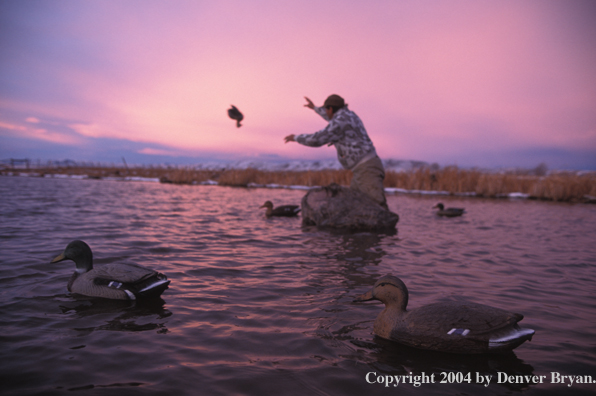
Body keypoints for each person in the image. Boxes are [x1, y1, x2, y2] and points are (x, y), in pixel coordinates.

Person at [284, 94, 388, 209]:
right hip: (363, 169)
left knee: (377, 208)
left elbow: (317, 139)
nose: (325, 112)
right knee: (359, 208)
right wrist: (314, 108)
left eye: (326, 109)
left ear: (331, 109)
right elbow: (330, 117)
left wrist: (296, 138)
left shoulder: (339, 122)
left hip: (367, 171)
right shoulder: (349, 115)